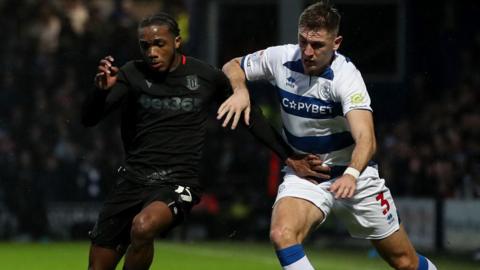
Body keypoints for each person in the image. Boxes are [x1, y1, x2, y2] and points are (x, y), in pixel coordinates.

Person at [81, 12, 328, 270]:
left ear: (177, 42)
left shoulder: (205, 76)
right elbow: (89, 119)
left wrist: (288, 156)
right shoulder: (132, 73)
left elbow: (251, 117)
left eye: (159, 44)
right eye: (145, 46)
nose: (152, 52)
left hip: (177, 182)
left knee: (143, 227)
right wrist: (99, 93)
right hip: (131, 180)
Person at [219, 1, 438, 269]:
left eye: (317, 45)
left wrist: (351, 174)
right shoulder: (281, 58)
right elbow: (232, 65)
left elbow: (366, 139)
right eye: (303, 41)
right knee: (282, 234)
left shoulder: (346, 78)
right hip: (306, 172)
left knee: (405, 262)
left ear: (336, 43)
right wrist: (241, 91)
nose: (307, 52)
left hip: (355, 176)